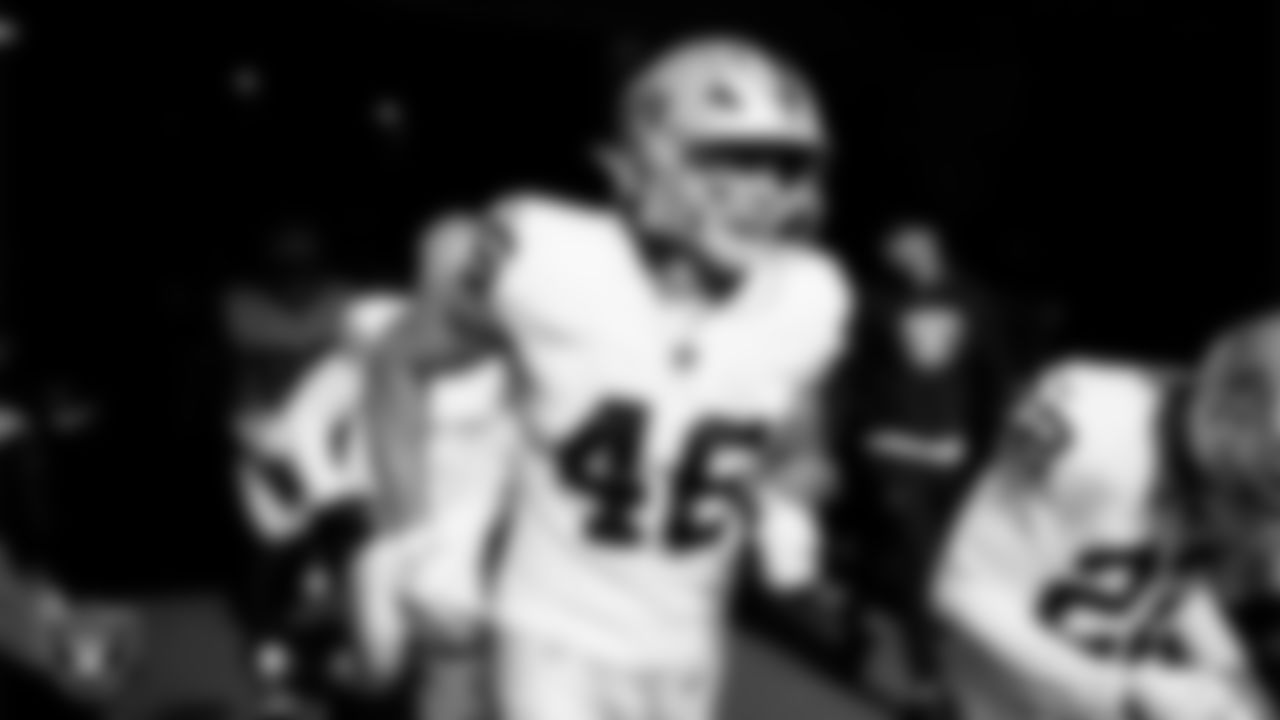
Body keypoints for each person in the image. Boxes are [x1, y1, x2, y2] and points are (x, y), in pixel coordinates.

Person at [363, 34, 853, 720]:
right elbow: (398, 364)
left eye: (786, 165)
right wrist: (411, 538)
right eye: (731, 158)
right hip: (552, 638)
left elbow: (796, 443)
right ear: (647, 158)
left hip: (688, 647)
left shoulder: (809, 297)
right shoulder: (544, 255)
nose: (765, 191)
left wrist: (793, 503)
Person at [930, 311, 1280, 720]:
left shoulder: (1218, 471)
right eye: (1250, 496)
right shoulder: (1091, 418)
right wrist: (1121, 691)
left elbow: (1166, 580)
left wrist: (1234, 679)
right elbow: (961, 590)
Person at [844, 218, 1012, 708]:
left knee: (923, 557)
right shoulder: (880, 303)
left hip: (951, 457)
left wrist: (989, 452)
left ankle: (856, 621)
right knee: (918, 561)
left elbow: (992, 379)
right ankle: (926, 680)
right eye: (886, 246)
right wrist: (858, 432)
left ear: (929, 241)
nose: (892, 252)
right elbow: (858, 370)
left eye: (899, 240)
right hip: (893, 450)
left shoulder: (975, 303)